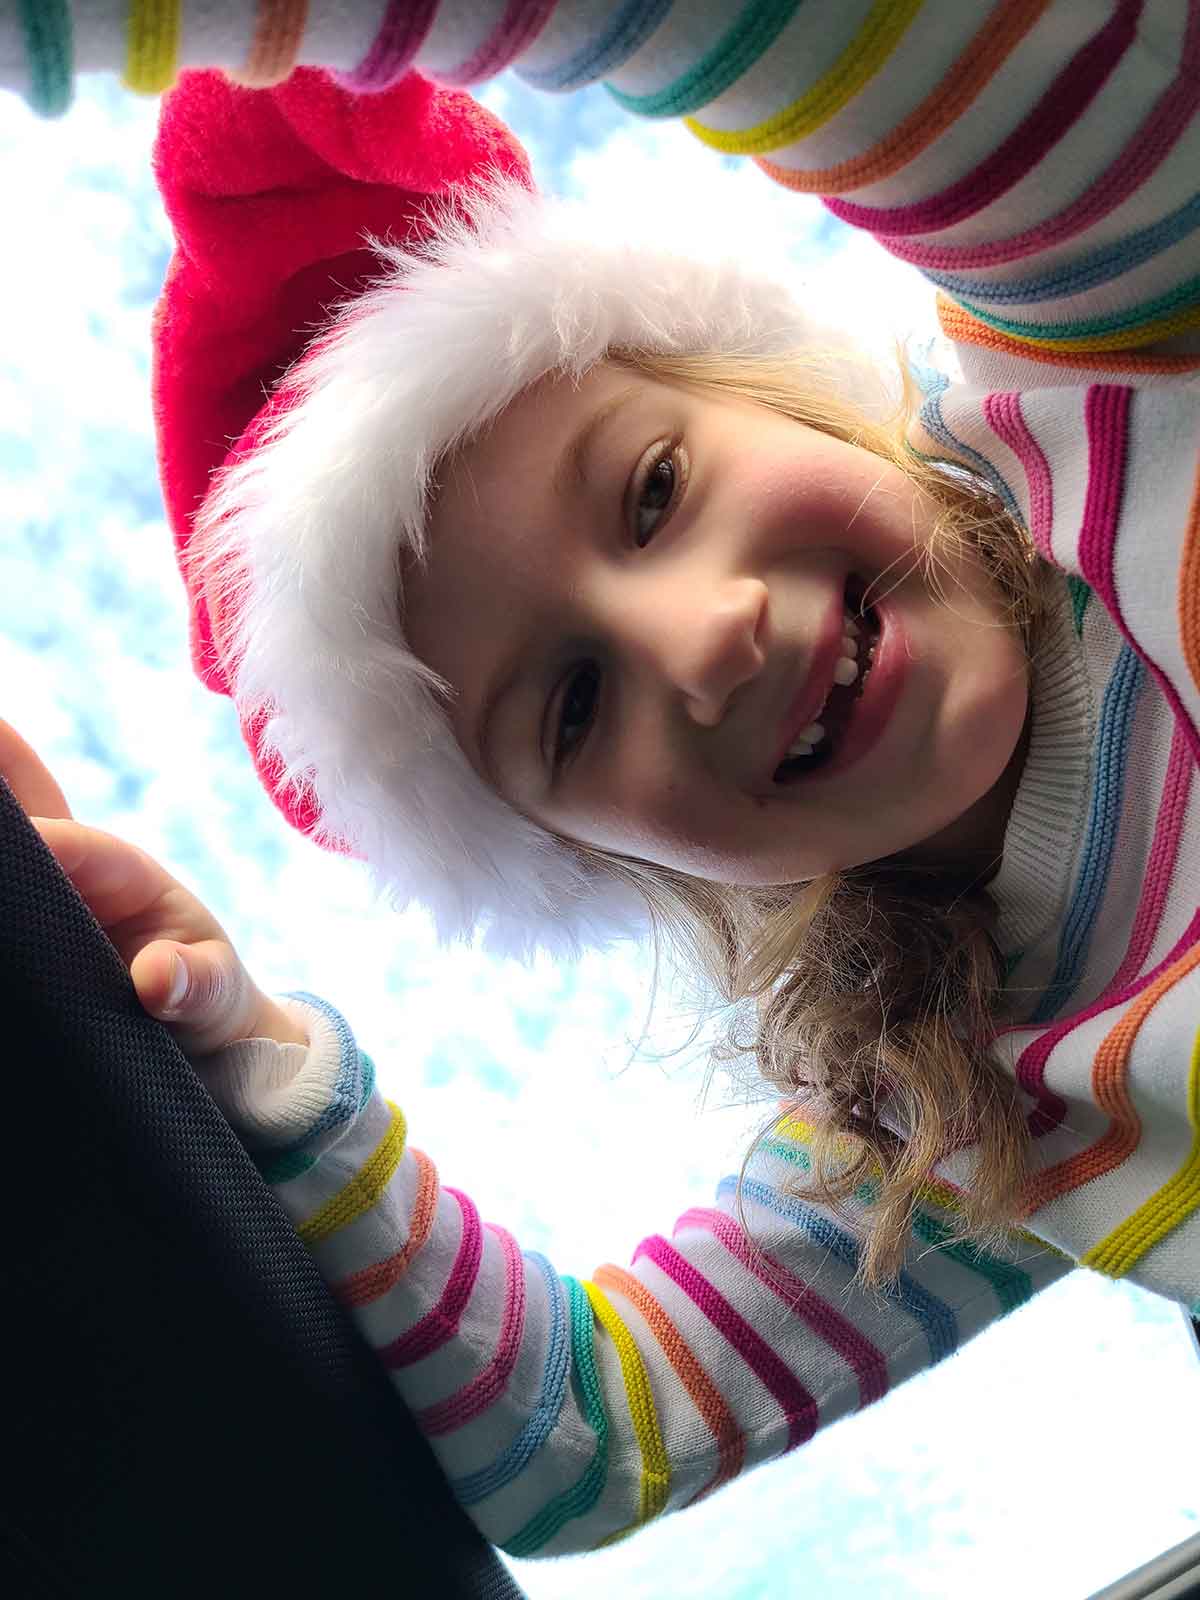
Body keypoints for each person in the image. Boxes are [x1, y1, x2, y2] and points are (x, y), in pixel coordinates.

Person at [4, 1, 1199, 1560]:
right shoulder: (966, 1106)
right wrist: (249, 1059)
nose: (704, 641)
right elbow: (586, 1437)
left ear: (771, 388)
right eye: (571, 709)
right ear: (595, 856)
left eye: (654, 489)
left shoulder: (1120, 359)